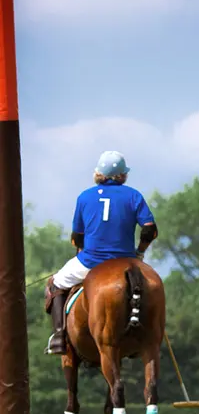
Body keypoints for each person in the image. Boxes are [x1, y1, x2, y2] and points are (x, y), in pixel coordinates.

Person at [44, 151, 158, 355]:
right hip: (127, 261)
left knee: (55, 283)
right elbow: (150, 230)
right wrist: (139, 252)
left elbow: (77, 237)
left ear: (99, 173)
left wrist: (82, 251)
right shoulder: (133, 195)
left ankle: (60, 338)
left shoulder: (85, 196)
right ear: (122, 175)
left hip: (90, 261)